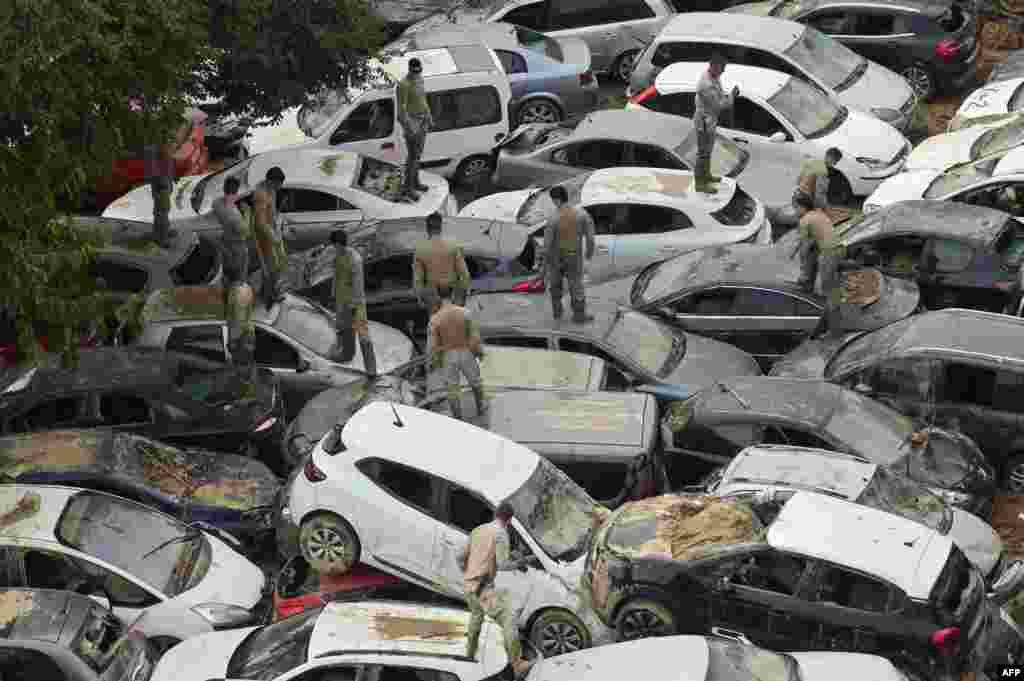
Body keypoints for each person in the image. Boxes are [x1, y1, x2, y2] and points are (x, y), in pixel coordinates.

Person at [457, 502, 533, 678]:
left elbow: (459, 557)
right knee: (508, 619)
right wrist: (521, 562)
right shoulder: (501, 534)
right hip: (483, 589)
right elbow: (503, 564)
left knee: (476, 618)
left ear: (495, 514)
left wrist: (469, 573)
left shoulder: (478, 530)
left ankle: (469, 654)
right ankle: (518, 664)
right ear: (509, 520)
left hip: (469, 585)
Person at [428, 287, 486, 420]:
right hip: (466, 352)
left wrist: (435, 362)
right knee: (475, 382)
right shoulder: (465, 313)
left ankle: (458, 419)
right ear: (453, 295)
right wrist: (479, 353)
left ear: (438, 297)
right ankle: (480, 408)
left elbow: (433, 346)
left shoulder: (435, 319)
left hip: (447, 356)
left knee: (452, 390)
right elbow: (474, 338)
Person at [543, 186, 595, 323]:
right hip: (573, 257)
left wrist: (545, 264)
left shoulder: (553, 217)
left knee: (555, 285)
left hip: (555, 258)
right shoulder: (582, 214)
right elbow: (590, 238)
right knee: (576, 286)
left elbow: (547, 244)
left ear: (557, 200)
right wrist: (589, 254)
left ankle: (557, 312)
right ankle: (579, 316)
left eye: (553, 200)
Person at [329, 229, 376, 375]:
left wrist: (354, 306)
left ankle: (371, 370)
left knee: (363, 337)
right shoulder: (337, 258)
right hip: (342, 302)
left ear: (338, 244)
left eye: (334, 246)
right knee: (344, 331)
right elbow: (336, 278)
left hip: (355, 304)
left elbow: (358, 285)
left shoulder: (355, 259)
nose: (333, 249)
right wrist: (333, 296)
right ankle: (347, 355)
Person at [694, 52, 738, 194]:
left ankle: (706, 176)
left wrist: (727, 96)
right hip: (705, 122)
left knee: (708, 152)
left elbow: (719, 96)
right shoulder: (705, 85)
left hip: (710, 119)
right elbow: (719, 105)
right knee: (703, 154)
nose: (723, 71)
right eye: (722, 67)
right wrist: (732, 96)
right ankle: (700, 184)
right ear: (713, 66)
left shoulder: (714, 77)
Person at [414, 212, 470, 314]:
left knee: (436, 326)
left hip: (432, 297)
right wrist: (462, 297)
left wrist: (419, 297)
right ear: (440, 227)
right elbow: (464, 274)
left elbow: (418, 279)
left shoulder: (420, 250)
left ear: (427, 229)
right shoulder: (453, 247)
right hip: (452, 296)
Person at [397, 58, 434, 200]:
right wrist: (409, 128)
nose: (417, 73)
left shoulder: (420, 80)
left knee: (417, 156)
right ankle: (408, 188)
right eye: (415, 71)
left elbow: (423, 100)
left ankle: (416, 182)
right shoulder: (404, 85)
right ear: (410, 69)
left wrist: (429, 116)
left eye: (419, 71)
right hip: (412, 124)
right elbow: (401, 111)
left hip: (423, 121)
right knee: (412, 158)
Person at [794, 193, 840, 298]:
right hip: (838, 248)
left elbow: (805, 247)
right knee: (829, 280)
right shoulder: (820, 214)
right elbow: (815, 239)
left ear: (803, 207)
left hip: (829, 252)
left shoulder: (805, 220)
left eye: (796, 208)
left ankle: (826, 308)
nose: (795, 211)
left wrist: (803, 272)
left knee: (825, 288)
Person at [253, 167, 288, 305]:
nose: (280, 187)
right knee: (270, 267)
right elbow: (261, 222)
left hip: (272, 231)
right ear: (271, 181)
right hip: (264, 236)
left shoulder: (271, 190)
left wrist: (277, 225)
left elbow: (272, 212)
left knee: (275, 265)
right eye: (278, 184)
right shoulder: (261, 195)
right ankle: (270, 296)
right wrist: (274, 238)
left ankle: (267, 292)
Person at [212, 176, 250, 286]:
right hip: (237, 247)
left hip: (226, 243)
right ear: (236, 190)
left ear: (224, 188)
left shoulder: (217, 203)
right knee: (238, 280)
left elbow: (223, 202)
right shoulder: (232, 214)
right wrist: (247, 213)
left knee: (227, 276)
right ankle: (235, 299)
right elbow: (245, 231)